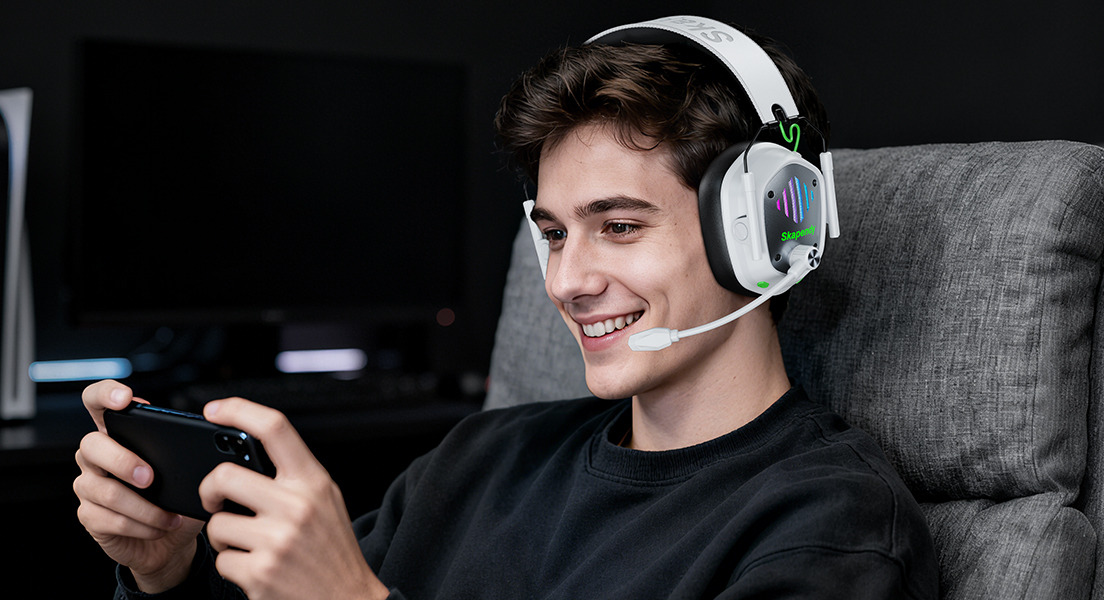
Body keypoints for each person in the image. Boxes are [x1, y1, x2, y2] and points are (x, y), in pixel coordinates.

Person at [73, 17, 939, 600]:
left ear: (768, 230)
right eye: (556, 234)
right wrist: (167, 572)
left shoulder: (832, 526)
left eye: (621, 226)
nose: (567, 281)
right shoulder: (486, 458)